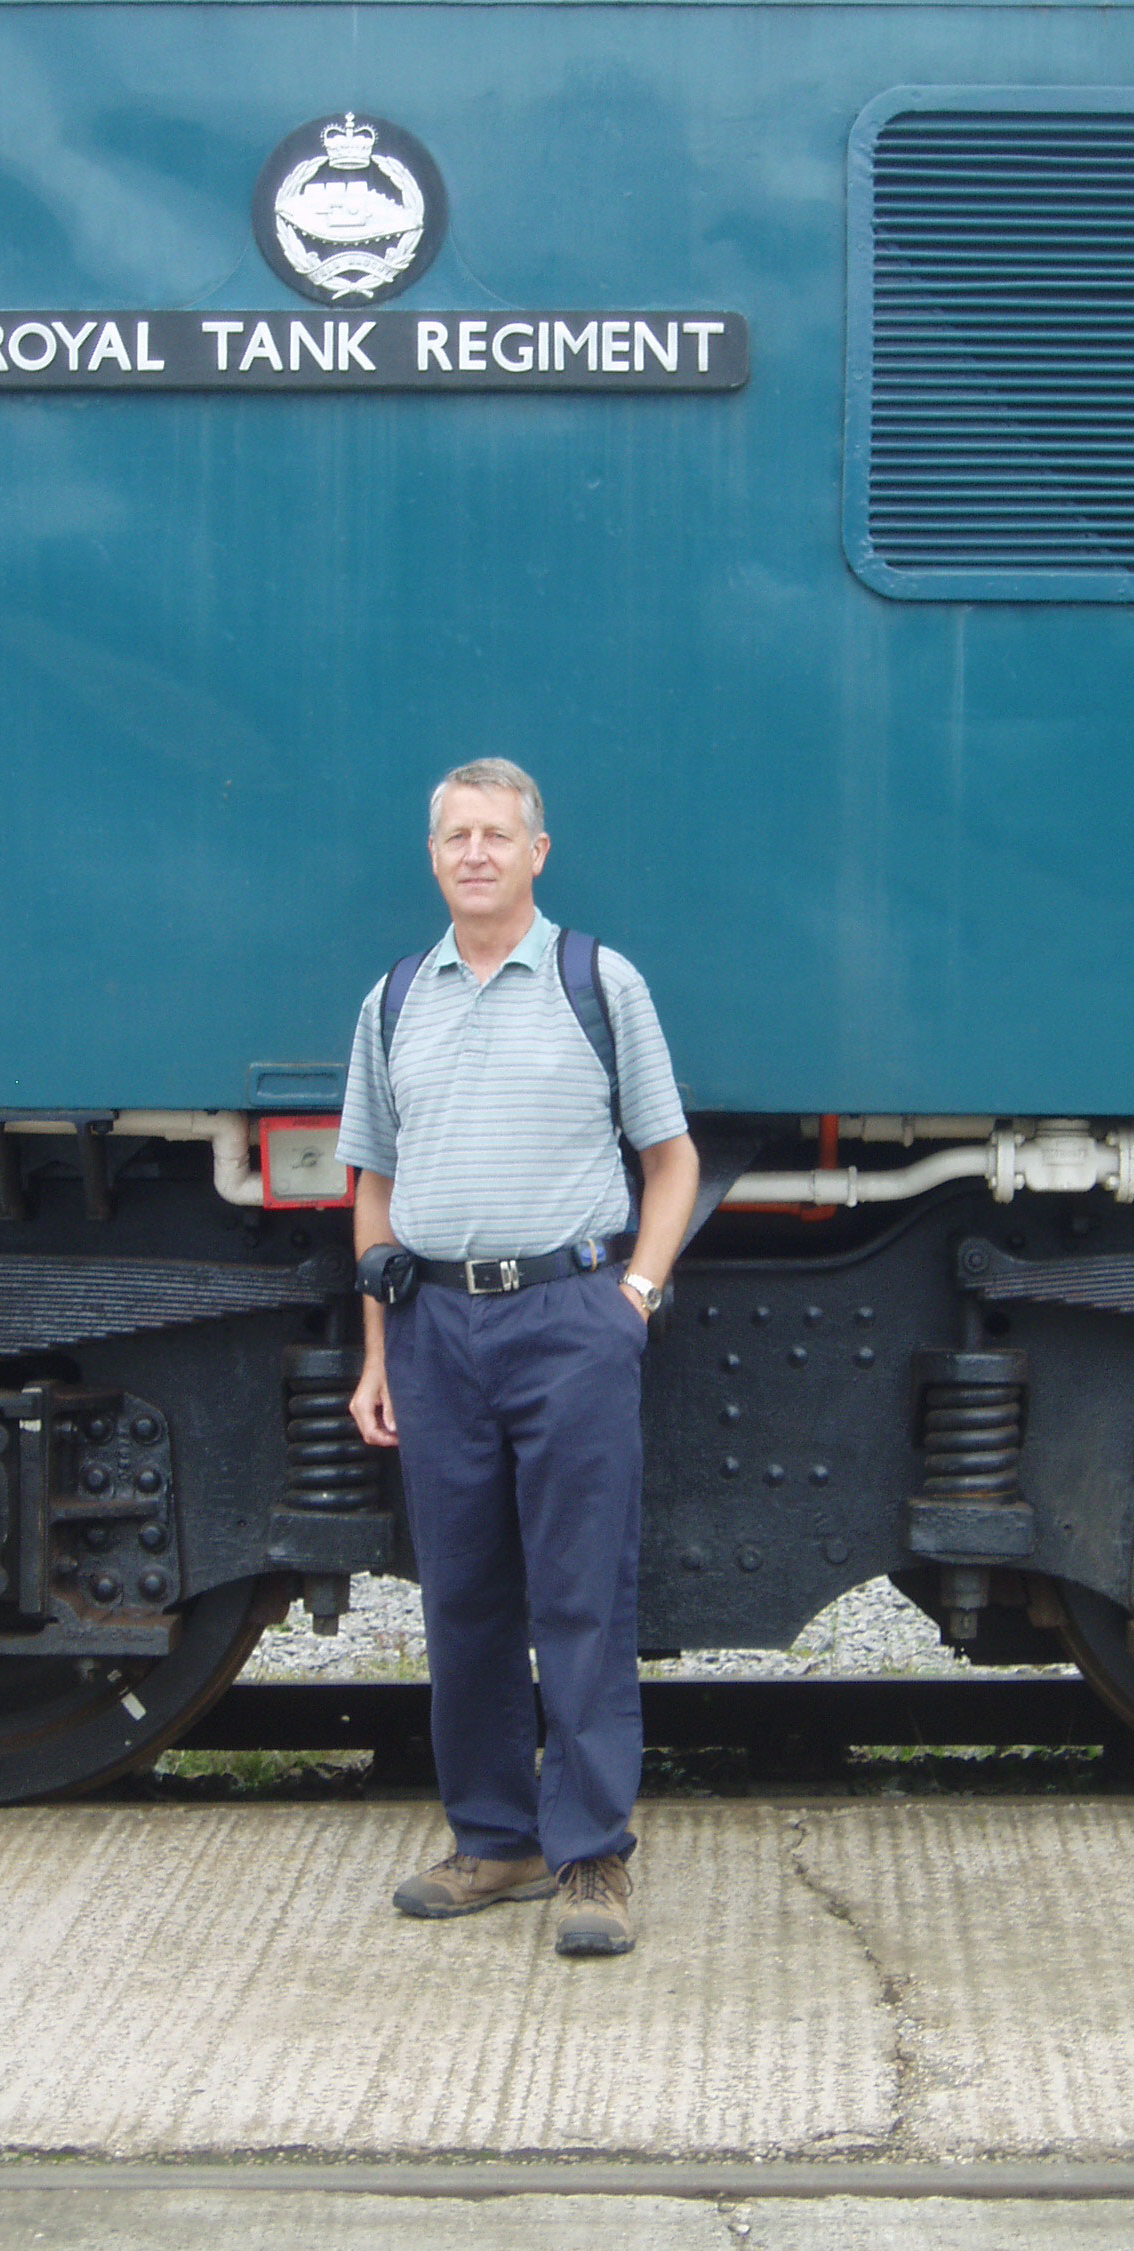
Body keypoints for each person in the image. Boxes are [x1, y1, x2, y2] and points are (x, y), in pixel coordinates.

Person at [338, 758, 699, 1957]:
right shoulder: (394, 999)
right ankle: (495, 1841)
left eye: (500, 834)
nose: (478, 852)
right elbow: (373, 1187)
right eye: (457, 835)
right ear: (434, 855)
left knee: (582, 1593)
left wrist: (632, 1298)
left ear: (539, 851)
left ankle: (591, 1857)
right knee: (465, 1596)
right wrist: (379, 1350)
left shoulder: (600, 981)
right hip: (438, 1330)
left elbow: (672, 1160)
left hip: (569, 1321)